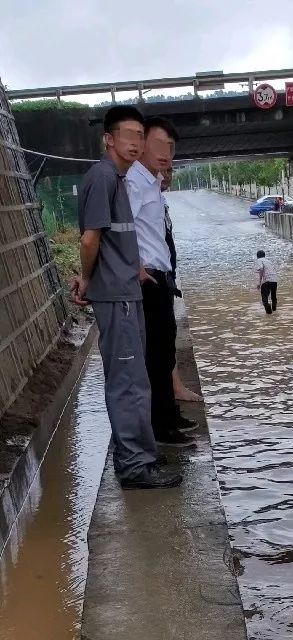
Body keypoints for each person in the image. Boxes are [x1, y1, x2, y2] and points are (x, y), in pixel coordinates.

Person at [72, 106, 181, 490]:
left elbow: (119, 238)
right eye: (128, 135)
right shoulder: (103, 177)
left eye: (140, 136)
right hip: (115, 296)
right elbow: (90, 239)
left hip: (126, 292)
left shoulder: (117, 180)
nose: (134, 143)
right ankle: (136, 467)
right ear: (109, 139)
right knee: (128, 384)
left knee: (137, 380)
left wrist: (133, 270)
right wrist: (86, 279)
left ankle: (141, 456)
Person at [126, 117, 197, 449]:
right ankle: (161, 427)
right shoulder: (133, 183)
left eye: (171, 147)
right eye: (159, 144)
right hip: (148, 280)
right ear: (141, 145)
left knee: (165, 350)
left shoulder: (150, 183)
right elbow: (118, 228)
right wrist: (137, 267)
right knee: (155, 355)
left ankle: (169, 416)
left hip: (160, 278)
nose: (166, 154)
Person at [161, 165, 203, 405]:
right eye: (161, 169)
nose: (167, 175)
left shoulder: (158, 200)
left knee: (167, 337)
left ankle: (175, 387)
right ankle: (172, 393)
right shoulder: (140, 196)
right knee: (161, 341)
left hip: (164, 277)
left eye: (170, 170)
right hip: (153, 278)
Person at [256, 250, 278, 314]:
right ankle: (275, 311)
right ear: (264, 255)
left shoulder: (259, 260)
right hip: (274, 280)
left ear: (257, 256)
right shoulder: (269, 261)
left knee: (264, 299)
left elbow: (260, 269)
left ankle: (269, 314)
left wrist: (259, 283)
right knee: (273, 297)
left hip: (267, 281)